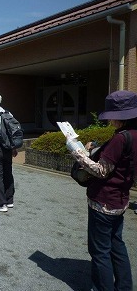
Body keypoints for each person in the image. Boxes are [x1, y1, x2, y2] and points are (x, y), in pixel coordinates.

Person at [67, 90, 135, 291]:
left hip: (103, 201)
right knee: (117, 246)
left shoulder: (120, 139)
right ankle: (124, 287)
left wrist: (77, 152)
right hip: (120, 198)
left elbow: (100, 170)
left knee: (100, 252)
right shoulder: (133, 134)